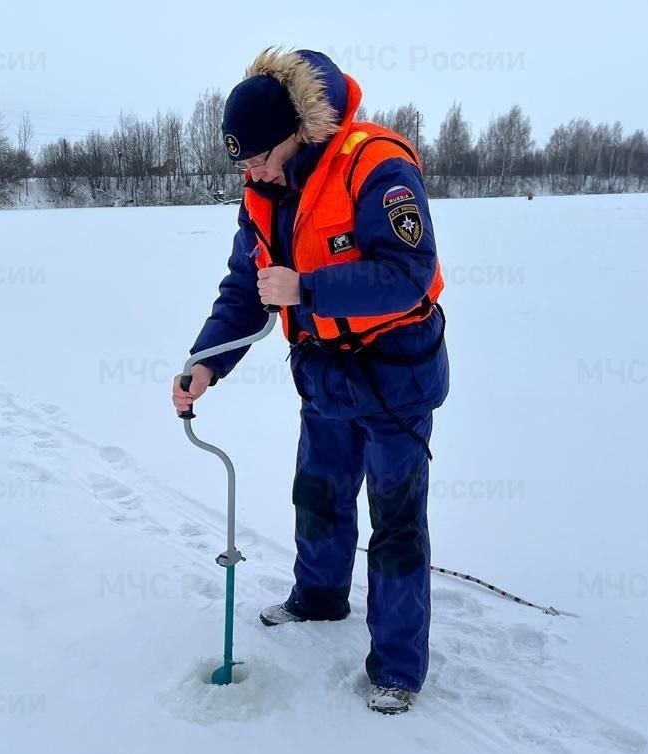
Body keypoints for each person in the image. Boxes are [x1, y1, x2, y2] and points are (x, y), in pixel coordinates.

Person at [171, 48, 449, 715]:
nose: (251, 170)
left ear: (298, 128)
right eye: (242, 161)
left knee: (396, 523)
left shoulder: (376, 164)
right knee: (318, 497)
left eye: (259, 156)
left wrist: (309, 288)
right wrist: (207, 361)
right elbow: (246, 287)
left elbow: (409, 273)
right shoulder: (264, 191)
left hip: (395, 375)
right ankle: (319, 598)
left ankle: (398, 667)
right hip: (324, 376)